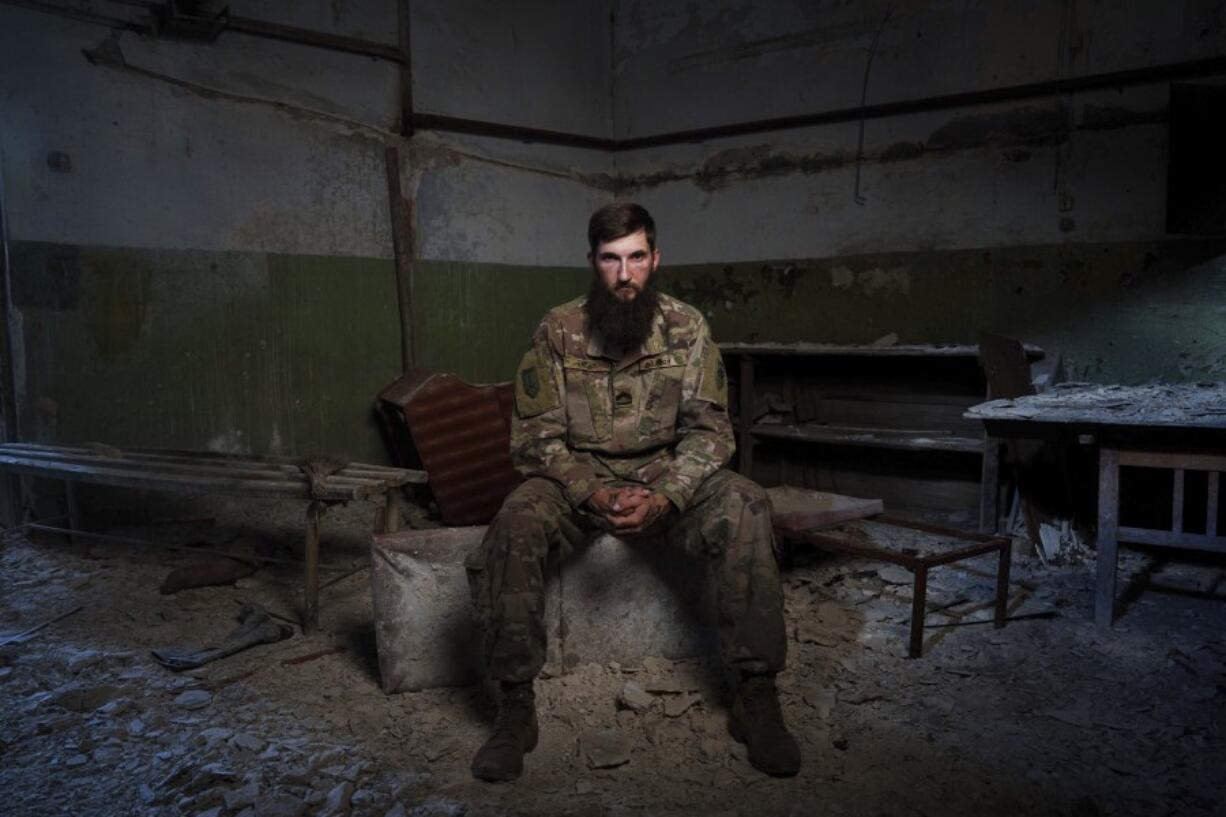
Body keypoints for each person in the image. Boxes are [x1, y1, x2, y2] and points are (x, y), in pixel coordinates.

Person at [465, 202, 799, 782]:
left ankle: (756, 696)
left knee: (745, 503)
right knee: (516, 520)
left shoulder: (688, 328)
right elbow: (534, 437)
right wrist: (590, 491)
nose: (624, 275)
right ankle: (515, 708)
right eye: (611, 259)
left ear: (655, 258)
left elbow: (712, 431)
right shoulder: (556, 330)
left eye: (636, 258)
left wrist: (668, 494)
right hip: (577, 479)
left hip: (667, 477)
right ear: (592, 262)